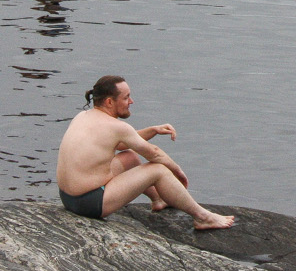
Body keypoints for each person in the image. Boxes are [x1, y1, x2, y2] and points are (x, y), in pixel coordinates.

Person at [55, 75, 235, 228]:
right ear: (110, 101)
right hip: (89, 203)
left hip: (68, 198)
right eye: (126, 98)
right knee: (158, 170)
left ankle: (159, 200)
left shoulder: (82, 116)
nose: (131, 102)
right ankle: (203, 218)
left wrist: (153, 130)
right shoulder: (117, 127)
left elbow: (121, 145)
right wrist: (177, 171)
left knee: (130, 158)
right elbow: (154, 153)